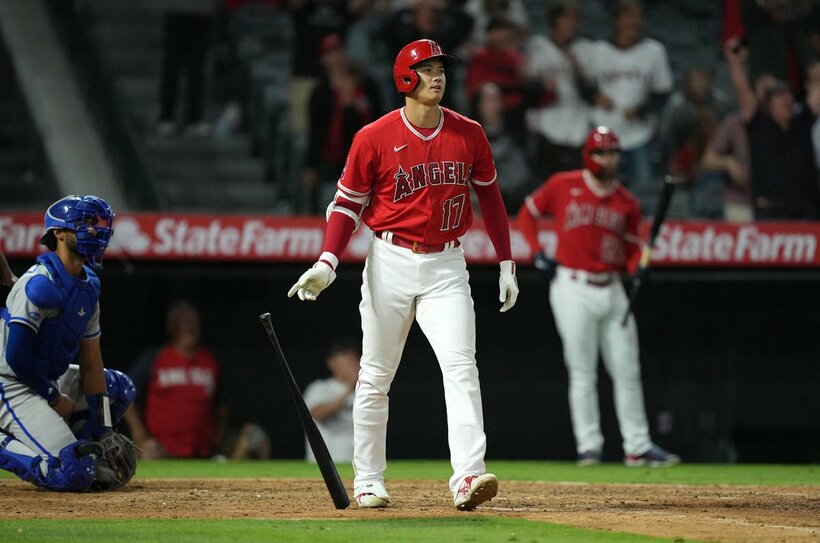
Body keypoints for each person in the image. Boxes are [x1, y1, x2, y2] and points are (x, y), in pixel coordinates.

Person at [287, 39, 519, 511]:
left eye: (441, 69)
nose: (437, 76)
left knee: (461, 368)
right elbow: (347, 204)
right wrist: (327, 261)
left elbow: (491, 197)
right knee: (374, 376)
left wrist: (506, 260)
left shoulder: (469, 132)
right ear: (404, 78)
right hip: (390, 260)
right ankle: (369, 479)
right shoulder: (373, 136)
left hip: (447, 264)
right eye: (427, 68)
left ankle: (467, 476)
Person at [517, 127, 680, 468]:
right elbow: (527, 214)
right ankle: (589, 446)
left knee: (627, 370)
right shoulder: (563, 184)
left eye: (613, 152)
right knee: (582, 372)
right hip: (572, 286)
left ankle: (637, 446)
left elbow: (634, 248)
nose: (609, 159)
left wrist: (639, 267)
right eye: (602, 153)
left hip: (612, 287)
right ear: (588, 156)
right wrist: (536, 252)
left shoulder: (626, 202)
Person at [0, 195, 137, 491]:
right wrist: (53, 397)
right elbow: (16, 356)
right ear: (59, 233)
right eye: (84, 223)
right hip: (10, 383)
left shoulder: (88, 286)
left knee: (120, 389)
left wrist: (104, 431)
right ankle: (67, 460)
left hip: (47, 378)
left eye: (94, 223)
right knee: (71, 474)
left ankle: (82, 450)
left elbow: (91, 363)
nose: (93, 230)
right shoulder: (40, 283)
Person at [724, 37, 820, 219]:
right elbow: (743, 92)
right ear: (768, 104)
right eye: (779, 95)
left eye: (789, 94)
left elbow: (817, 93)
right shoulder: (758, 124)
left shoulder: (802, 122)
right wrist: (735, 63)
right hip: (770, 212)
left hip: (806, 210)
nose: (786, 99)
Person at [122, 300, 228, 459]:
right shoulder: (156, 358)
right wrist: (141, 436)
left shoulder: (210, 361)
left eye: (194, 322)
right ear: (173, 326)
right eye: (185, 322)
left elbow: (223, 405)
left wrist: (218, 440)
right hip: (161, 451)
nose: (191, 327)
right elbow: (125, 394)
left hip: (203, 452)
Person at [584, 0, 673, 187]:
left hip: (639, 134)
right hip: (603, 133)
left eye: (638, 16)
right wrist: (594, 96)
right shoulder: (597, 50)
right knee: (600, 189)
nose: (634, 21)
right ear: (616, 20)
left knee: (643, 191)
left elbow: (663, 93)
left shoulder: (653, 50)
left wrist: (640, 110)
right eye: (628, 16)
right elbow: (584, 86)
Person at [300, 33, 382, 214]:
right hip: (330, 159)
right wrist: (311, 164)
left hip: (362, 161)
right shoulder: (320, 91)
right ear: (324, 59)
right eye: (331, 53)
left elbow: (378, 121)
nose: (336, 57)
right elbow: (315, 130)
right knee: (330, 207)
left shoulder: (366, 86)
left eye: (338, 52)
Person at [524, 0, 595, 181]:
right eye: (567, 19)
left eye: (576, 19)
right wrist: (540, 85)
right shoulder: (538, 46)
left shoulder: (585, 48)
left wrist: (577, 70)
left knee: (575, 182)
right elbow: (527, 92)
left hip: (577, 124)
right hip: (546, 125)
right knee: (546, 182)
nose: (573, 24)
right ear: (555, 20)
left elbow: (591, 94)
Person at [302, 341, 360, 463]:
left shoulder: (364, 391)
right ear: (332, 363)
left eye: (353, 359)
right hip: (325, 463)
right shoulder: (320, 387)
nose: (351, 364)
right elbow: (317, 414)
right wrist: (349, 388)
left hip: (357, 465)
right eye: (345, 358)